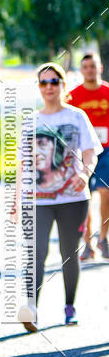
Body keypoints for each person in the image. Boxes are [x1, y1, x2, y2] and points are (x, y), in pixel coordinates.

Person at [19, 62, 101, 332]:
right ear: (39, 88)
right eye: (44, 83)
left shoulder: (76, 116)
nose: (49, 87)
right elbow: (22, 164)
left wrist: (85, 173)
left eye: (54, 82)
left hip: (73, 198)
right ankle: (31, 308)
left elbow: (91, 151)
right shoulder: (31, 120)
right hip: (38, 199)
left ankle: (69, 306)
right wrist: (16, 201)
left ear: (63, 85)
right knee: (37, 252)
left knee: (69, 253)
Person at [65, 52, 109, 260]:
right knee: (85, 198)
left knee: (105, 193)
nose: (89, 70)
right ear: (81, 70)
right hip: (82, 152)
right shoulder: (73, 96)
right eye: (86, 67)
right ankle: (87, 244)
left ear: (99, 68)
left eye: (93, 66)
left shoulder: (108, 92)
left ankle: (103, 238)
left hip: (107, 150)